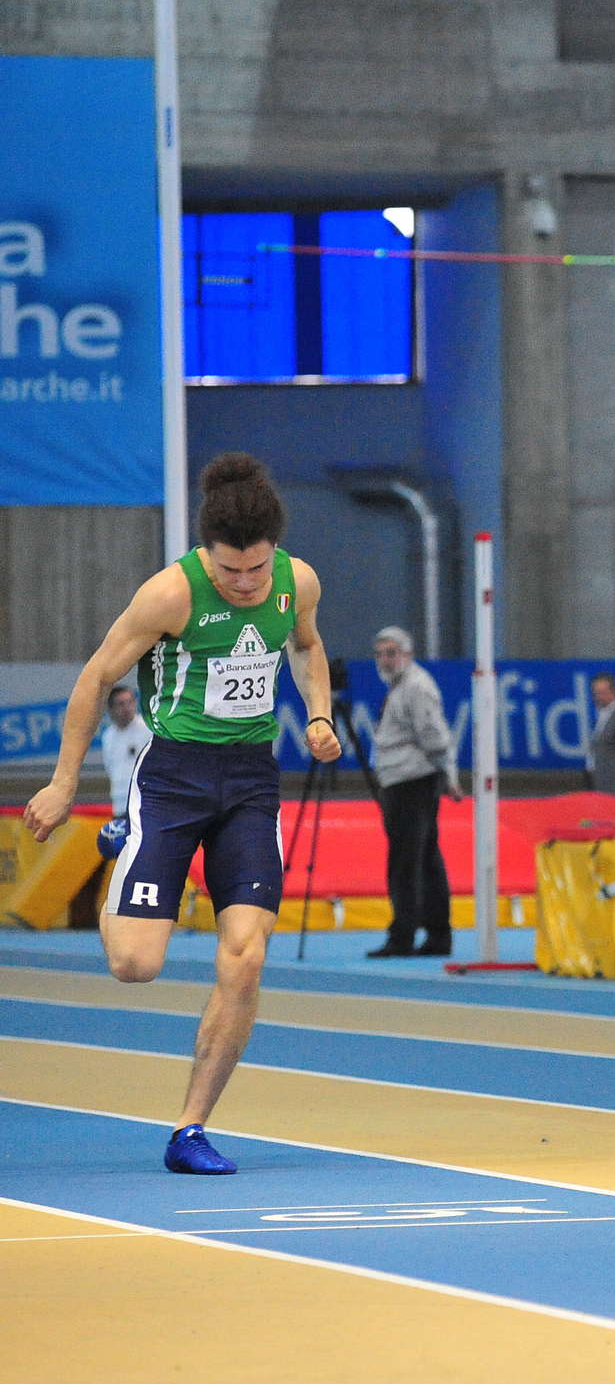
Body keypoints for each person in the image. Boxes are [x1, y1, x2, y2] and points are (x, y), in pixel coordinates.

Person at [22, 453, 340, 1174]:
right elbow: (96, 678)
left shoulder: (298, 582)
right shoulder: (170, 594)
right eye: (230, 571)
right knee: (135, 965)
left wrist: (319, 715)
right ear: (207, 553)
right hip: (171, 779)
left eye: (256, 569)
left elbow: (308, 647)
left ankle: (190, 1129)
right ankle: (124, 840)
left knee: (246, 957)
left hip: (252, 781)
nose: (246, 583)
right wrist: (64, 782)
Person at [367, 626, 460, 958]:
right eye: (380, 654)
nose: (384, 659)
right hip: (405, 779)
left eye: (391, 653)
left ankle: (403, 935)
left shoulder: (416, 687)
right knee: (425, 859)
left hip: (412, 780)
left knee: (406, 862)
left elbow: (434, 734)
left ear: (408, 654)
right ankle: (436, 934)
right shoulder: (402, 686)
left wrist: (449, 773)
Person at [99, 683, 151, 817]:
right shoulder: (108, 736)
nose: (127, 708)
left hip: (143, 803)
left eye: (130, 702)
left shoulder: (148, 729)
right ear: (111, 709)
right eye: (121, 704)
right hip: (119, 803)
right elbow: (109, 768)